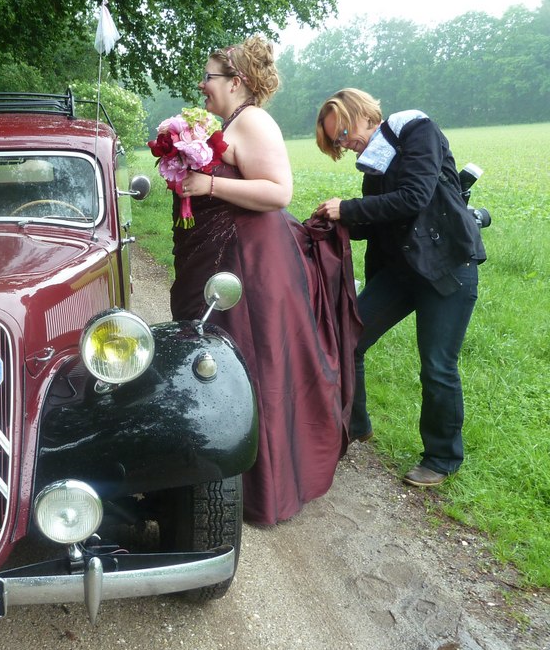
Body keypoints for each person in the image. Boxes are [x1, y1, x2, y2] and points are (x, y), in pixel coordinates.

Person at [173, 37, 360, 525]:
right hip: (227, 256)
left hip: (251, 263)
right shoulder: (232, 123)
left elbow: (279, 192)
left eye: (209, 76)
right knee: (224, 364)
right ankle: (224, 470)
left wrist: (209, 183)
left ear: (236, 82)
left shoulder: (253, 120)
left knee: (254, 364)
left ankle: (264, 488)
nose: (202, 84)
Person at [313, 88, 485, 487]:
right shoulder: (374, 163)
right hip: (403, 271)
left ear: (363, 114)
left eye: (343, 133)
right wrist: (336, 222)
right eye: (337, 142)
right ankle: (355, 426)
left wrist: (349, 208)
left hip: (447, 266)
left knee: (437, 366)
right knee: (348, 338)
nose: (345, 144)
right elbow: (382, 221)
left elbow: (414, 197)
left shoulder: (416, 131)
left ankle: (441, 458)